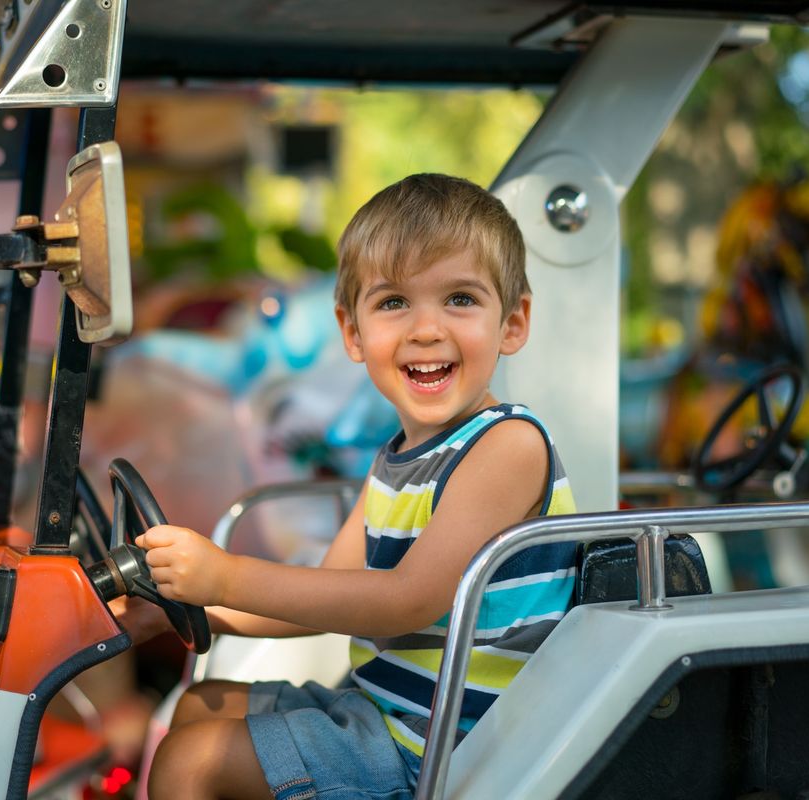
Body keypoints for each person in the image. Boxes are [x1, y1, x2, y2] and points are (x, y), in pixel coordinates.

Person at [114, 173, 578, 800]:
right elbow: (329, 594)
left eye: (460, 299)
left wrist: (224, 575)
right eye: (393, 303)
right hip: (383, 713)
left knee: (192, 764)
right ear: (353, 333)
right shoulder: (398, 459)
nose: (425, 329)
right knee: (201, 704)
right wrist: (185, 609)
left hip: (448, 747)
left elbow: (405, 601)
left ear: (513, 321)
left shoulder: (508, 446)